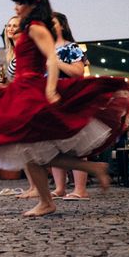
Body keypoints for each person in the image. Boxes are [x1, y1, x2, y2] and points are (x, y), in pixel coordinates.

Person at [0, 0, 129, 217]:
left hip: (31, 91)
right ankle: (81, 174)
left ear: (32, 5)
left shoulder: (37, 28)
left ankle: (50, 199)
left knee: (27, 147)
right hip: (22, 89)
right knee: (30, 149)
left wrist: (50, 89)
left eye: (20, 3)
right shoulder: (29, 28)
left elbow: (51, 59)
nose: (16, 8)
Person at [49, 12, 89, 201]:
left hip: (70, 99)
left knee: (76, 145)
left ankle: (80, 189)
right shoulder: (43, 49)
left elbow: (78, 71)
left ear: (62, 26)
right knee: (55, 145)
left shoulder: (71, 47)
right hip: (51, 100)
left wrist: (57, 62)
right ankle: (59, 187)